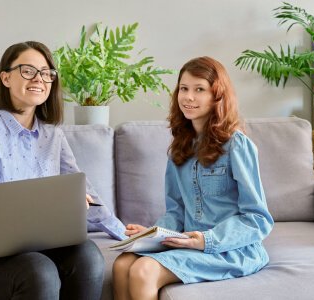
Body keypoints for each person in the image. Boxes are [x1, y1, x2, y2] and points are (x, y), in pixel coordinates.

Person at [0, 41, 126, 300]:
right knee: (39, 270)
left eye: (46, 73)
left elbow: (84, 191)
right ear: (5, 77)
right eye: (28, 71)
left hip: (33, 250)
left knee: (88, 255)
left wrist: (125, 234)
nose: (39, 79)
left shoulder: (52, 135)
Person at [112, 56, 274, 300]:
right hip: (187, 244)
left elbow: (258, 219)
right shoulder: (180, 147)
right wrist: (153, 234)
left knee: (144, 270)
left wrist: (206, 240)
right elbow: (176, 211)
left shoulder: (237, 145)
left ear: (216, 96)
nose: (188, 97)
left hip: (231, 249)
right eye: (184, 89)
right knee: (122, 264)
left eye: (200, 90)